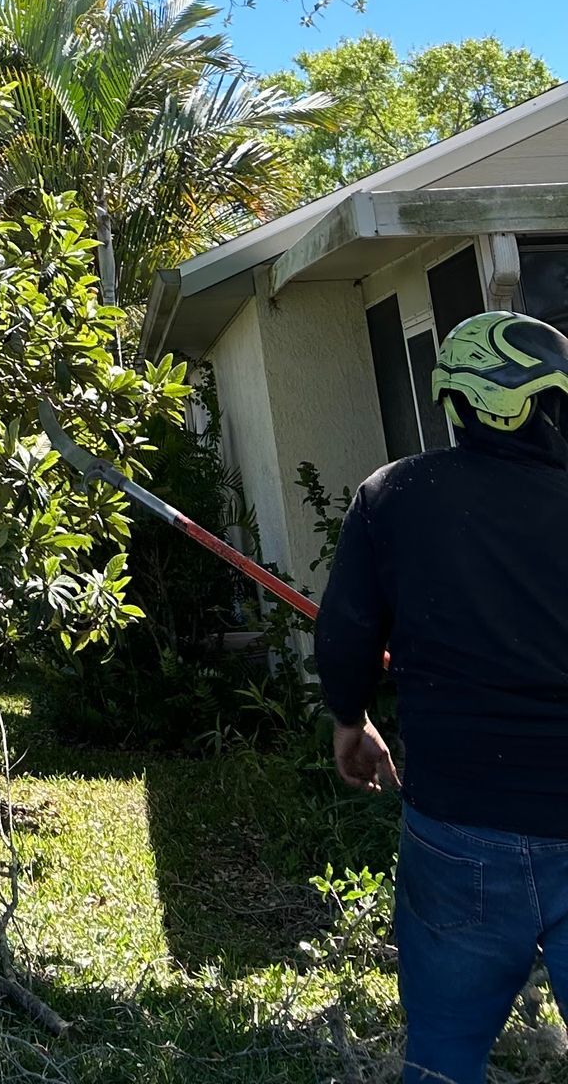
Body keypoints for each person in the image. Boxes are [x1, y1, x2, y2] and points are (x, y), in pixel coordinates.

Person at [315, 309, 568, 1084]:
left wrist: (350, 719)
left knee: (443, 1059)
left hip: (458, 827)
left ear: (456, 402)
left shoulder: (395, 495)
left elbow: (346, 633)